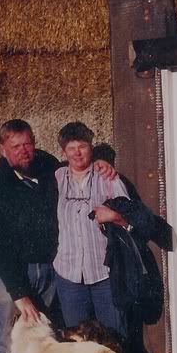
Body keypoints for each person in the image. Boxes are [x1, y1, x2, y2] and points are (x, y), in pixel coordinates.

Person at [0, 119, 115, 353]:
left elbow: (77, 168)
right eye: (15, 146)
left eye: (28, 144)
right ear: (3, 149)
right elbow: (0, 248)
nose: (24, 151)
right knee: (4, 345)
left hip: (48, 269)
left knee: (45, 342)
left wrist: (100, 163)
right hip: (8, 273)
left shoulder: (47, 165)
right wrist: (19, 293)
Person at [52, 122, 132, 339]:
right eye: (71, 148)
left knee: (114, 339)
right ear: (63, 152)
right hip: (68, 276)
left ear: (91, 148)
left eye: (83, 146)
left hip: (104, 275)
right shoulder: (56, 178)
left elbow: (132, 219)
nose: (77, 153)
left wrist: (115, 216)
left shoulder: (108, 179)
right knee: (78, 344)